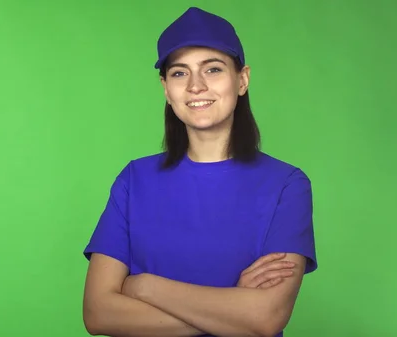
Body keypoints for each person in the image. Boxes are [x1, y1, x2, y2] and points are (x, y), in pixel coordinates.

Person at [82, 6, 318, 337]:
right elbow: (98, 314)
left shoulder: (286, 185)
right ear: (166, 88)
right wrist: (233, 306)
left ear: (242, 80)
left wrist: (145, 287)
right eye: (179, 73)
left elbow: (266, 318)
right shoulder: (134, 180)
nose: (195, 86)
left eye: (213, 69)